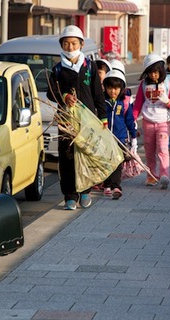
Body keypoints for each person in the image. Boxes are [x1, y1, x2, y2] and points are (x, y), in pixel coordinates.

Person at [47, 25, 107, 210]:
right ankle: (70, 196)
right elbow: (51, 92)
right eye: (66, 43)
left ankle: (85, 192)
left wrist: (103, 117)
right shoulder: (57, 69)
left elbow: (98, 93)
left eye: (74, 43)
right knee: (67, 158)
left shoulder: (90, 66)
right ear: (61, 45)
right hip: (66, 122)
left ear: (81, 44)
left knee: (87, 155)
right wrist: (64, 96)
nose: (70, 46)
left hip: (87, 120)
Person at [133, 53, 170, 189]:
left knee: (163, 149)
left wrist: (168, 101)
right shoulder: (143, 85)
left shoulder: (167, 83)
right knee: (149, 150)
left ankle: (164, 175)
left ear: (161, 71)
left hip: (163, 122)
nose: (153, 75)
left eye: (156, 72)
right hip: (148, 122)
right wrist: (132, 119)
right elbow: (138, 104)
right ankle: (151, 176)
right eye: (151, 73)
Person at [102, 69, 137, 199]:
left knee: (117, 162)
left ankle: (116, 186)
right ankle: (106, 184)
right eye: (110, 88)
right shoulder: (101, 101)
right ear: (105, 87)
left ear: (122, 88)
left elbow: (129, 120)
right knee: (106, 161)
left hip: (120, 137)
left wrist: (133, 136)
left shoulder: (124, 103)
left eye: (116, 88)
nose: (113, 91)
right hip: (104, 137)